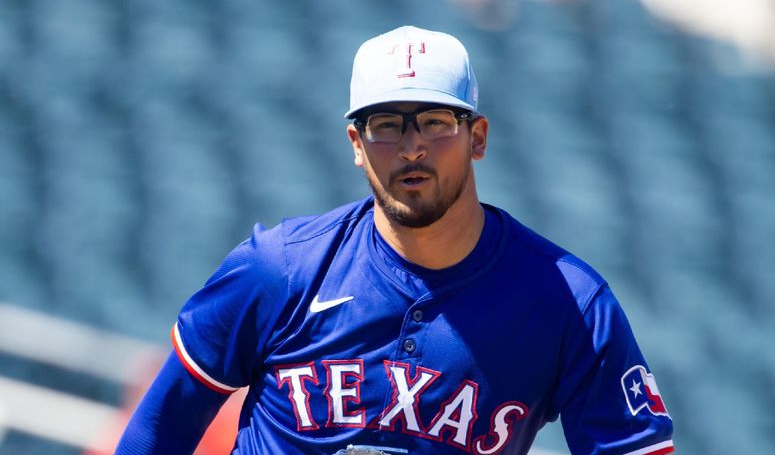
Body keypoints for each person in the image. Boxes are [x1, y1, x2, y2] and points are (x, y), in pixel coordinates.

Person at [115, 26, 674, 454]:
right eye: (386, 125)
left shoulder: (568, 304)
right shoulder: (278, 268)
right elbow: (158, 428)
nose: (411, 148)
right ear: (356, 143)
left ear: (476, 137)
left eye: (435, 122)